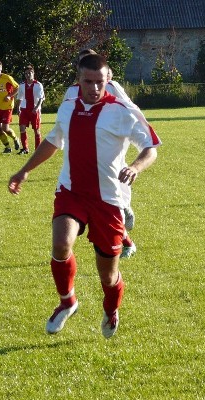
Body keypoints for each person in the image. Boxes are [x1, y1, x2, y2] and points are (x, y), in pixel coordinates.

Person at [8, 54, 161, 338]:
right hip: (72, 192)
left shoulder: (122, 111)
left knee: (107, 275)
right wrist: (24, 170)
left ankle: (111, 309)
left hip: (108, 201)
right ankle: (68, 302)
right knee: (60, 244)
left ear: (109, 79)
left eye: (99, 82)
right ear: (78, 79)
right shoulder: (68, 104)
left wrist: (136, 166)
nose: (93, 88)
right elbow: (54, 140)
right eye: (87, 82)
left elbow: (150, 148)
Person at [63, 52, 141, 258]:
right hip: (82, 157)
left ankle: (124, 212)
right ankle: (124, 232)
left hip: (110, 149)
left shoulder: (112, 87)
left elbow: (131, 110)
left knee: (109, 201)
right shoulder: (71, 92)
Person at [14, 65, 45, 155]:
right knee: (22, 128)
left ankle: (38, 150)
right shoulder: (22, 85)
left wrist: (36, 108)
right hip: (24, 109)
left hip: (35, 110)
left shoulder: (38, 85)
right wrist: (18, 108)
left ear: (33, 73)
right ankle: (25, 148)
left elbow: (40, 99)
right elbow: (19, 98)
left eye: (30, 73)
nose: (28, 75)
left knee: (36, 130)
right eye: (26, 73)